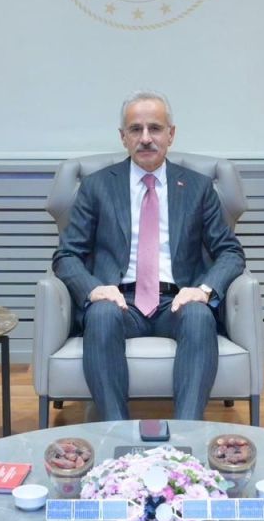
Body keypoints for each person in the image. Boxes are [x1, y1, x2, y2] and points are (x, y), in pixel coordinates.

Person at [52, 91, 245, 421]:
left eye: (154, 128)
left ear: (171, 134)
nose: (145, 138)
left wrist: (203, 290)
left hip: (176, 301)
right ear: (123, 137)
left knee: (200, 316)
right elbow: (66, 255)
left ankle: (188, 434)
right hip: (119, 300)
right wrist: (93, 289)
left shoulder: (198, 187)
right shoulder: (98, 186)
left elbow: (230, 251)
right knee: (100, 314)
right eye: (135, 129)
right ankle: (114, 430)